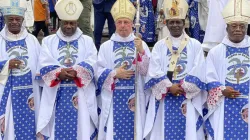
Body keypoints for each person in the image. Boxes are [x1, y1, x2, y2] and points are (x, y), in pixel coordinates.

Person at [143, 0, 207, 139]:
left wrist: (183, 86)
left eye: (178, 22)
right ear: (166, 23)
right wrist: (169, 86)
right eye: (171, 22)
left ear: (184, 23)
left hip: (188, 95)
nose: (175, 25)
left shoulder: (195, 45)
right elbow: (154, 70)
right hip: (165, 97)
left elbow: (199, 68)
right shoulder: (159, 46)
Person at [36, 0, 98, 139]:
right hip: (56, 94)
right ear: (60, 21)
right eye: (65, 23)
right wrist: (59, 73)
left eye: (72, 23)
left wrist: (77, 71)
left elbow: (93, 62)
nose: (68, 26)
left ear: (77, 23)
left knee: (81, 130)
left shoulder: (87, 41)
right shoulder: (48, 41)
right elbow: (44, 63)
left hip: (80, 94)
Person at [96, 0, 151, 139]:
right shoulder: (106, 46)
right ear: (115, 24)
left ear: (132, 24)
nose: (123, 26)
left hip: (136, 96)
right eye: (119, 22)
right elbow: (97, 73)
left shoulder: (141, 44)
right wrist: (114, 73)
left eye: (126, 22)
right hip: (113, 98)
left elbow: (147, 72)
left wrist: (142, 53)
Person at [204, 0, 250, 139]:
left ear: (246, 28)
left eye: (242, 26)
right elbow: (208, 77)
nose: (238, 29)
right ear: (226, 28)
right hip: (223, 105)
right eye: (234, 26)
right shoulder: (216, 52)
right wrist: (221, 89)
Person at [0, 0, 42, 139]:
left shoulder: (32, 40)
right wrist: (6, 65)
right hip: (9, 96)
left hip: (31, 94)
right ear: (5, 20)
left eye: (17, 19)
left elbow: (41, 64)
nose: (14, 22)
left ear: (22, 20)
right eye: (10, 19)